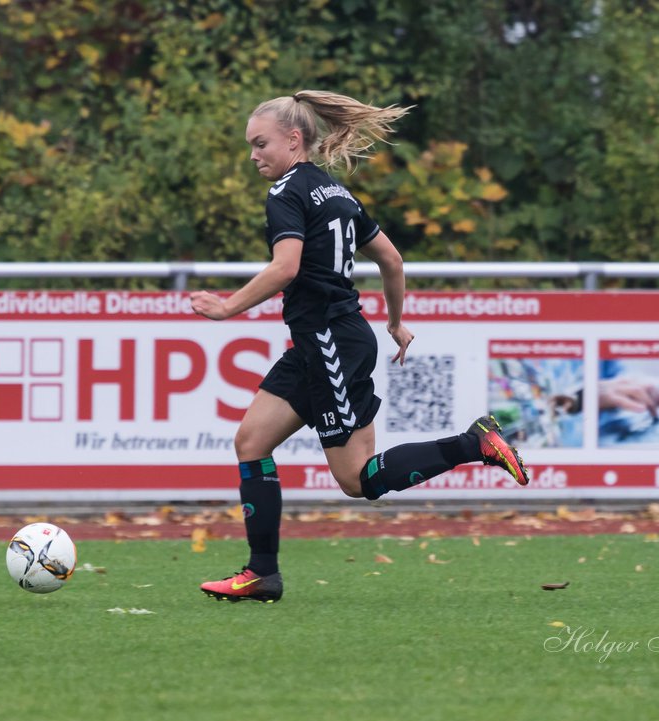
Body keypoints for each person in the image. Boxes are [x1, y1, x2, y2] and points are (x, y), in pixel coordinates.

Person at [190, 90, 530, 603]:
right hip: (330, 341)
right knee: (252, 443)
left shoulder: (287, 191)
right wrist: (395, 323)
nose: (253, 156)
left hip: (329, 342)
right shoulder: (335, 191)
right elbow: (391, 260)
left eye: (260, 144)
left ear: (293, 139)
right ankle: (262, 574)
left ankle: (474, 443)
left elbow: (286, 267)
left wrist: (227, 307)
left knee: (359, 480)